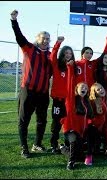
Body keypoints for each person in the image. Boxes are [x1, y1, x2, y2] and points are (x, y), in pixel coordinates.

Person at [11, 10, 53, 158]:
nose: (46, 40)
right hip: (28, 91)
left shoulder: (50, 55)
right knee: (24, 119)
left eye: (48, 38)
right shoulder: (29, 48)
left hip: (43, 93)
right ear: (37, 39)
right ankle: (24, 147)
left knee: (42, 120)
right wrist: (14, 20)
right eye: (44, 38)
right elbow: (19, 36)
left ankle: (37, 144)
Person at [49, 36, 75, 154]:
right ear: (62, 54)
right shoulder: (56, 65)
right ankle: (54, 144)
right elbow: (52, 55)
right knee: (56, 123)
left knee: (68, 123)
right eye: (66, 53)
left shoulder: (73, 67)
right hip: (58, 100)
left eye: (70, 53)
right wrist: (58, 43)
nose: (68, 54)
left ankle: (67, 144)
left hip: (69, 101)